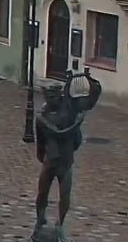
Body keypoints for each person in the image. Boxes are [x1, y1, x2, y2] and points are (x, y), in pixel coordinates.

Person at [33, 68, 102, 231]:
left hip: (65, 160)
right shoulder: (42, 115)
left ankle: (60, 224)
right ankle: (40, 219)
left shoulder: (70, 108)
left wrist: (88, 79)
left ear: (61, 95)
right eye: (48, 97)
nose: (51, 100)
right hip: (50, 160)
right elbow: (40, 139)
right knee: (42, 192)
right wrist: (41, 154)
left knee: (64, 194)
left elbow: (92, 97)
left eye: (54, 96)